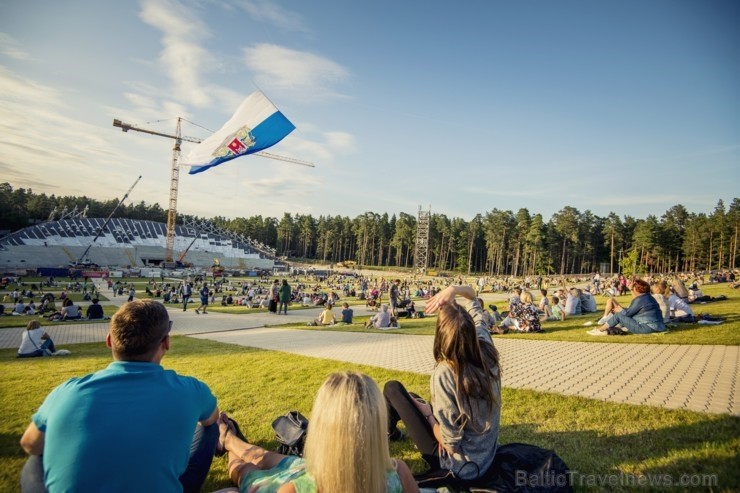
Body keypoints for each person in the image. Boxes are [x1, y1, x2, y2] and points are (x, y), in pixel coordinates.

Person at [19, 299, 220, 492]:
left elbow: (30, 443)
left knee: (36, 458)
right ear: (166, 342)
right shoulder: (191, 389)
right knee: (211, 428)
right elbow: (211, 419)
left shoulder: (67, 391)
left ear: (109, 341)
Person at [217, 371, 419, 493]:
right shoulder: (398, 474)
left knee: (246, 469)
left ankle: (227, 438)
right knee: (264, 456)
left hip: (313, 475)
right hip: (320, 470)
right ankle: (229, 438)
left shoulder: (293, 490)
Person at [384, 285, 501, 482]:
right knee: (411, 397)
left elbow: (451, 443)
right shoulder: (486, 348)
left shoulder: (446, 373)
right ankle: (391, 432)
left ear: (441, 336)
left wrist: (428, 415)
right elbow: (473, 299)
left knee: (392, 388)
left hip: (460, 465)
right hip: (486, 456)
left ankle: (387, 433)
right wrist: (453, 290)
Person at [589, 278, 666, 335]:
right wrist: (622, 310)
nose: (632, 289)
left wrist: (620, 310)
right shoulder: (648, 297)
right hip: (659, 326)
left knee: (618, 315)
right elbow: (631, 310)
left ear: (637, 289)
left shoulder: (641, 300)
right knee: (621, 314)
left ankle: (600, 330)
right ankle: (608, 328)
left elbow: (627, 314)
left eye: (634, 288)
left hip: (647, 328)